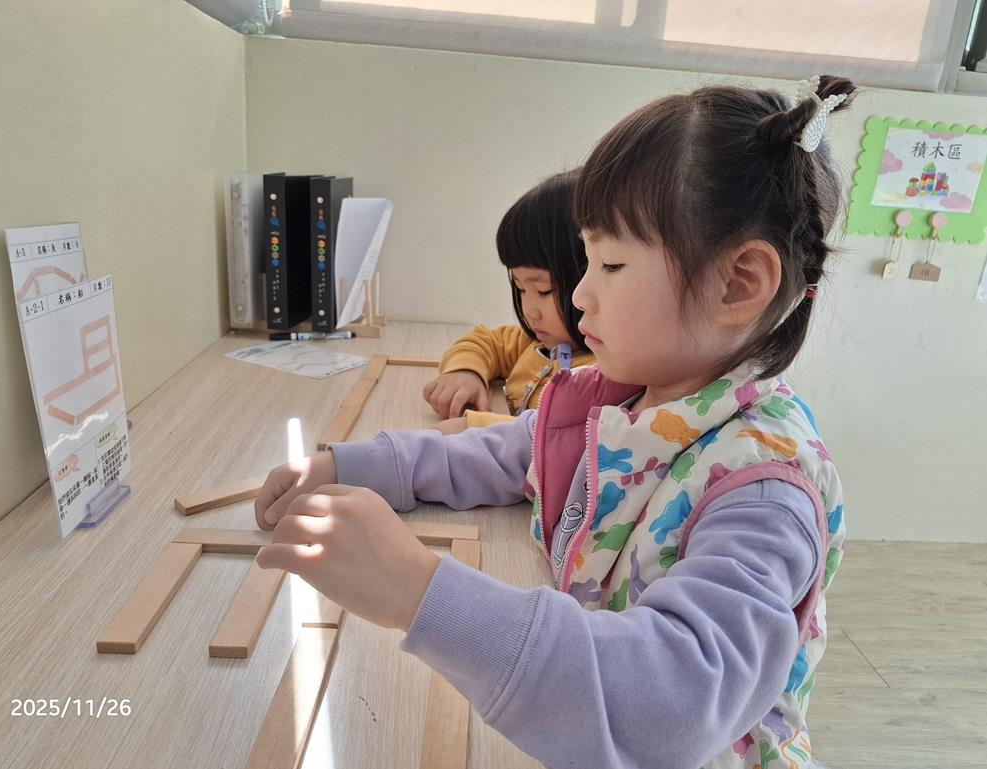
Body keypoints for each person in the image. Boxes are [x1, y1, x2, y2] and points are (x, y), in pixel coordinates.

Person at [253, 75, 853, 769]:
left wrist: (418, 590)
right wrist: (352, 465)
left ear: (738, 284)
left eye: (611, 263)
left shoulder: (763, 493)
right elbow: (512, 449)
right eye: (586, 259)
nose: (580, 294)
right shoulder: (629, 394)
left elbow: (669, 706)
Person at [423, 171, 593, 431]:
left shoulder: (602, 375)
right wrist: (467, 372)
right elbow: (485, 342)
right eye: (520, 289)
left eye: (544, 291)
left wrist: (473, 426)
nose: (530, 311)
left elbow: (553, 436)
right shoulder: (534, 343)